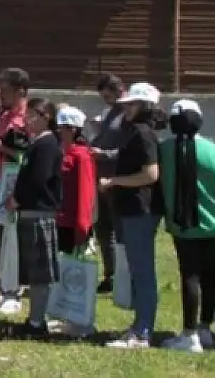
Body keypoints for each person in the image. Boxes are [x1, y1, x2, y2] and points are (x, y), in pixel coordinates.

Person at [158, 99, 215, 353]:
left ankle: (189, 334)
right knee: (209, 276)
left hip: (184, 225)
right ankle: (205, 329)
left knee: (190, 275)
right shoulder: (213, 151)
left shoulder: (165, 149)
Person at [99, 82, 163, 350]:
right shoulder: (135, 130)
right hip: (133, 208)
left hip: (140, 208)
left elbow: (150, 174)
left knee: (142, 270)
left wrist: (114, 182)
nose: (126, 107)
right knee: (138, 270)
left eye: (132, 103)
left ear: (145, 106)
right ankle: (140, 326)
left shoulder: (142, 132)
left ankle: (142, 331)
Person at [4, 98, 63, 339]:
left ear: (46, 117)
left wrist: (18, 198)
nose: (28, 121)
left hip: (39, 211)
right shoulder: (35, 144)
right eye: (26, 116)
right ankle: (34, 318)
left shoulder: (47, 144)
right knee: (32, 271)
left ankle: (37, 323)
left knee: (40, 273)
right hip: (29, 212)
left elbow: (39, 179)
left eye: (33, 117)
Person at [0, 68, 31, 315]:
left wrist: (0, 146)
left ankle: (16, 290)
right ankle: (3, 287)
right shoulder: (4, 117)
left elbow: (28, 154)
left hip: (17, 185)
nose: (0, 95)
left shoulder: (27, 118)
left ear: (20, 91)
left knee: (15, 240)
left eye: (5, 90)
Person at [90, 73, 127, 294]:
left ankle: (123, 275)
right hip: (101, 179)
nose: (106, 100)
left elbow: (129, 150)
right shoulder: (110, 113)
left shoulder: (128, 115)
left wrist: (105, 154)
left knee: (119, 230)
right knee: (103, 229)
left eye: (108, 95)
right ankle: (110, 274)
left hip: (117, 179)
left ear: (119, 90)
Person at [55, 107, 96, 255]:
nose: (59, 131)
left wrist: (82, 227)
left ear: (73, 130)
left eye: (62, 128)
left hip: (71, 224)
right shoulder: (61, 152)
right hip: (58, 219)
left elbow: (85, 193)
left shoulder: (82, 156)